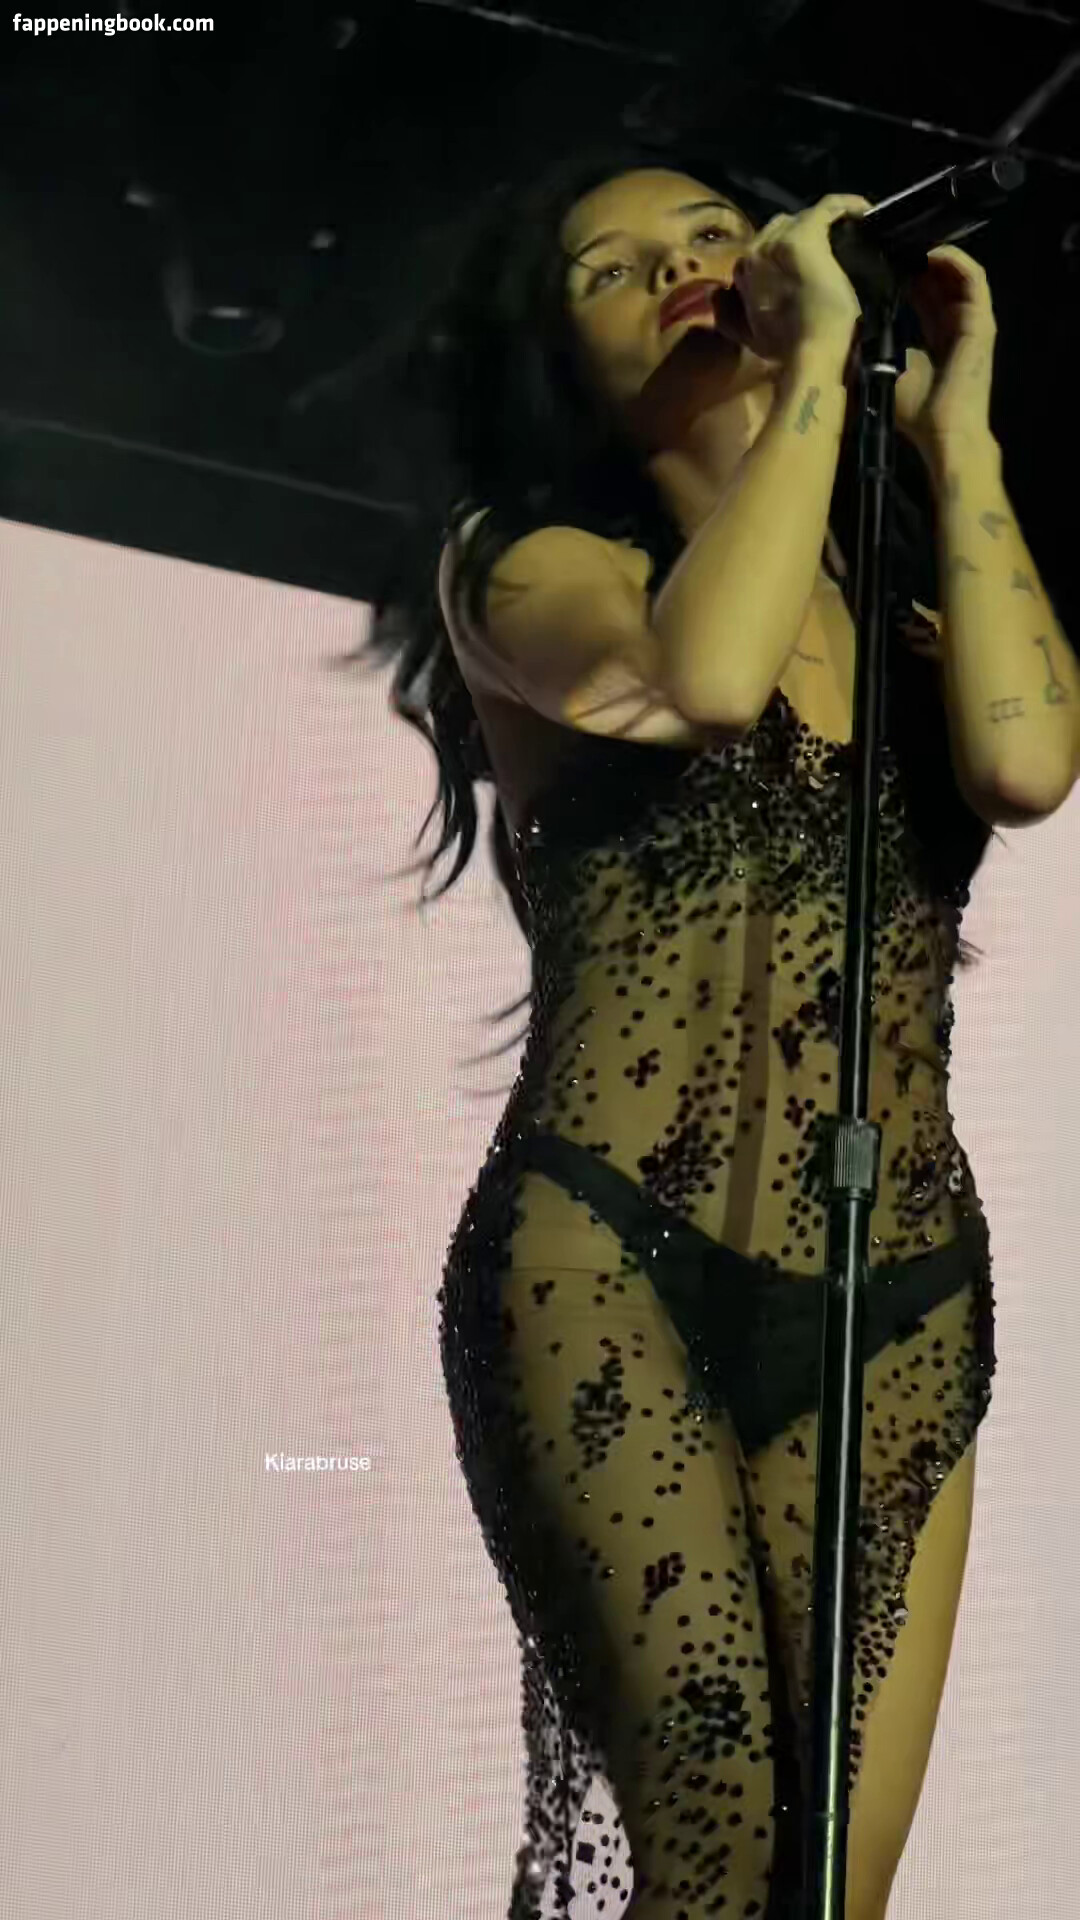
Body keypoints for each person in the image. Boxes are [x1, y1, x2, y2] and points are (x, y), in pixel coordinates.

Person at [344, 143, 1011, 1919]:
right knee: (718, 1854)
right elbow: (704, 677)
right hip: (608, 1259)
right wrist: (812, 378)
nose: (681, 270)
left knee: (829, 1902)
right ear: (562, 362)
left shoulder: (911, 617)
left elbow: (1028, 761)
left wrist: (961, 443)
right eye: (612, 268)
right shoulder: (531, 567)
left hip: (896, 1286)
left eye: (711, 233)